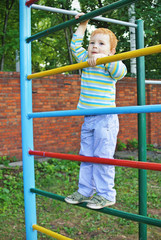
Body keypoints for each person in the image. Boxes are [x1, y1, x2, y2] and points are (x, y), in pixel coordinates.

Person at [65, 13, 127, 209]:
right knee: (86, 155)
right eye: (92, 42)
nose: (94, 46)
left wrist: (104, 59)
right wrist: (83, 24)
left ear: (111, 51)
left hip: (105, 118)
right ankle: (85, 190)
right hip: (88, 118)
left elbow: (121, 72)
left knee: (102, 156)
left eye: (101, 44)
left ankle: (106, 194)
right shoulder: (85, 59)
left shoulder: (111, 64)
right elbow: (75, 45)